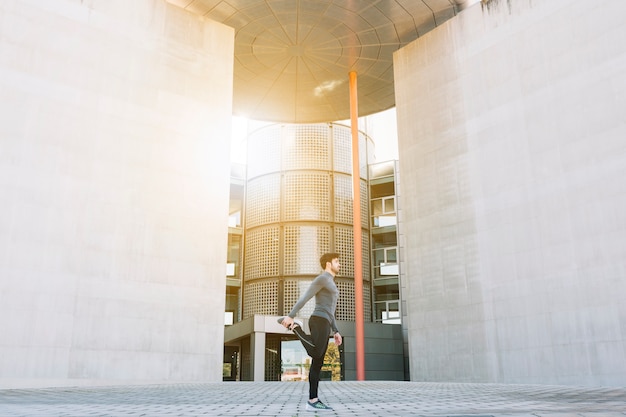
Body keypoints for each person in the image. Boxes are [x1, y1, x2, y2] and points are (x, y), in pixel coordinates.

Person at [278, 252, 343, 412]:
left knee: (317, 363)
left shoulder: (331, 282)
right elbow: (305, 297)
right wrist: (291, 316)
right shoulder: (322, 279)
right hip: (318, 320)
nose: (339, 264)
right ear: (328, 264)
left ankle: (313, 400)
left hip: (325, 322)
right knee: (316, 353)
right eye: (337, 261)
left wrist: (335, 330)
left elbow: (330, 310)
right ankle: (295, 327)